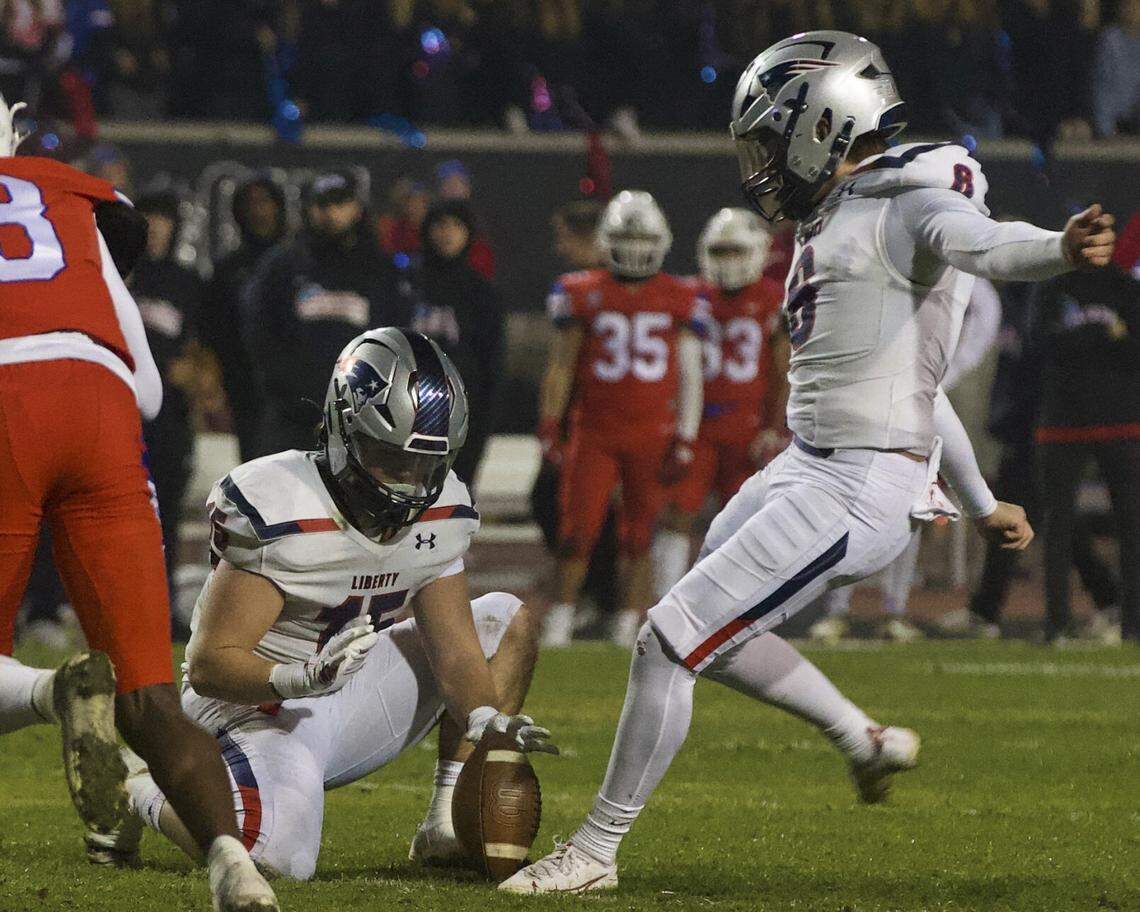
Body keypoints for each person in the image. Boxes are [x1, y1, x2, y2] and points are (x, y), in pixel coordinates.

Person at [504, 30, 1114, 893]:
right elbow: (922, 385)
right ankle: (860, 738)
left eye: (769, 137)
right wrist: (978, 502)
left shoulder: (912, 198)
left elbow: (988, 243)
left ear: (823, 122)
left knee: (665, 641)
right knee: (711, 633)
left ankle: (597, 850)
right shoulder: (845, 210)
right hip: (808, 462)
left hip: (856, 483)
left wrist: (1056, 247)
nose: (760, 162)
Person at [121, 328, 556, 878]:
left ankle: (445, 822)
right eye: (390, 458)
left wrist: (486, 716)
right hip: (256, 706)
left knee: (503, 620)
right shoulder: (283, 507)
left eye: (424, 466)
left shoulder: (442, 510)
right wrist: (300, 677)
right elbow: (208, 666)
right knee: (275, 858)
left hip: (352, 687)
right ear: (343, 430)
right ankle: (140, 784)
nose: (407, 484)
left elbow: (456, 654)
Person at [0, 97, 277, 911]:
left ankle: (57, 692)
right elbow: (150, 390)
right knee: (150, 698)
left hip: (6, 402)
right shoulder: (69, 195)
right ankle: (235, 866)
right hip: (104, 410)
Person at [536, 190, 707, 649]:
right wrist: (551, 423)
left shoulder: (680, 295)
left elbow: (690, 373)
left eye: (642, 236)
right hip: (594, 433)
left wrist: (686, 436)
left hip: (652, 434)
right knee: (576, 532)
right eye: (625, 236)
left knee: (640, 537)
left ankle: (629, 626)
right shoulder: (582, 290)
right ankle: (560, 621)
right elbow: (562, 365)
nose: (633, 247)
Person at [810, 278, 1003, 643]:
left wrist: (947, 374)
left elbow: (985, 309)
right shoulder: (880, 263)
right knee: (852, 502)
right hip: (870, 394)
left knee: (912, 504)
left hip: (917, 397)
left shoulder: (951, 273)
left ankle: (893, 609)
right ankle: (837, 609)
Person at [653, 207, 787, 599]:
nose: (728, 262)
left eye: (736, 252)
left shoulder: (771, 299)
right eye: (721, 251)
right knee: (678, 515)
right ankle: (667, 605)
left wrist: (774, 427)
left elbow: (783, 372)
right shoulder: (691, 296)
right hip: (698, 427)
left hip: (746, 426)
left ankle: (735, 607)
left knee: (745, 523)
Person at [243, 170, 410, 456]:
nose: (332, 212)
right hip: (291, 418)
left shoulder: (382, 271)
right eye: (323, 204)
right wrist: (295, 397)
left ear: (356, 208)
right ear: (310, 210)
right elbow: (261, 337)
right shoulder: (282, 266)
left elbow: (397, 343)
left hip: (363, 421)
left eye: (340, 203)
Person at [1031, 265, 1139, 642]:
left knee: (1132, 524)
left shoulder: (1125, 287)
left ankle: (1133, 625)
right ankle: (1057, 624)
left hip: (1122, 420)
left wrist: (1082, 339)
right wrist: (1105, 336)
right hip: (1063, 419)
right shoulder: (1053, 287)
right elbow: (1040, 345)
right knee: (1057, 524)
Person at [132, 190, 205, 616]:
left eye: (163, 219)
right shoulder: (113, 273)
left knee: (165, 513)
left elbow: (203, 353)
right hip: (117, 410)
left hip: (168, 417)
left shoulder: (187, 283)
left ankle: (159, 606)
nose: (156, 227)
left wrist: (195, 372)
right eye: (148, 218)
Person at [411, 199, 504, 490]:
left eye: (456, 226)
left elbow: (491, 362)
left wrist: (483, 419)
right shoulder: (405, 283)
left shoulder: (482, 291)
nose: (447, 233)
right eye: (440, 225)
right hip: (408, 408)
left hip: (461, 412)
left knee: (454, 499)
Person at [203, 175, 287, 462]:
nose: (258, 210)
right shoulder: (228, 270)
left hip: (292, 387)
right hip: (244, 384)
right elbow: (213, 328)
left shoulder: (299, 263)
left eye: (265, 202)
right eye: (250, 203)